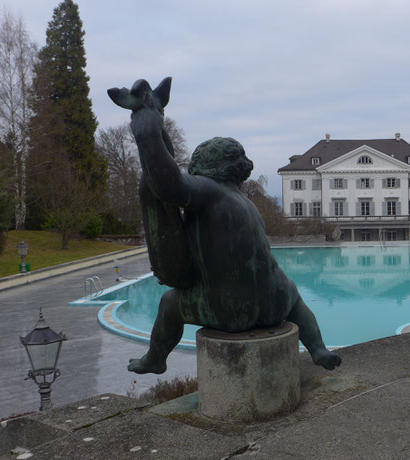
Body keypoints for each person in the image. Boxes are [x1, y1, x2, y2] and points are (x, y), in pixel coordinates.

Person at [108, 78, 341, 374]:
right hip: (275, 302)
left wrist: (149, 129)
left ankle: (156, 359)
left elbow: (166, 183)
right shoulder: (245, 202)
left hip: (230, 310)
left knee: (169, 303)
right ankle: (318, 348)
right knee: (294, 293)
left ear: (207, 166)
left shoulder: (209, 191)